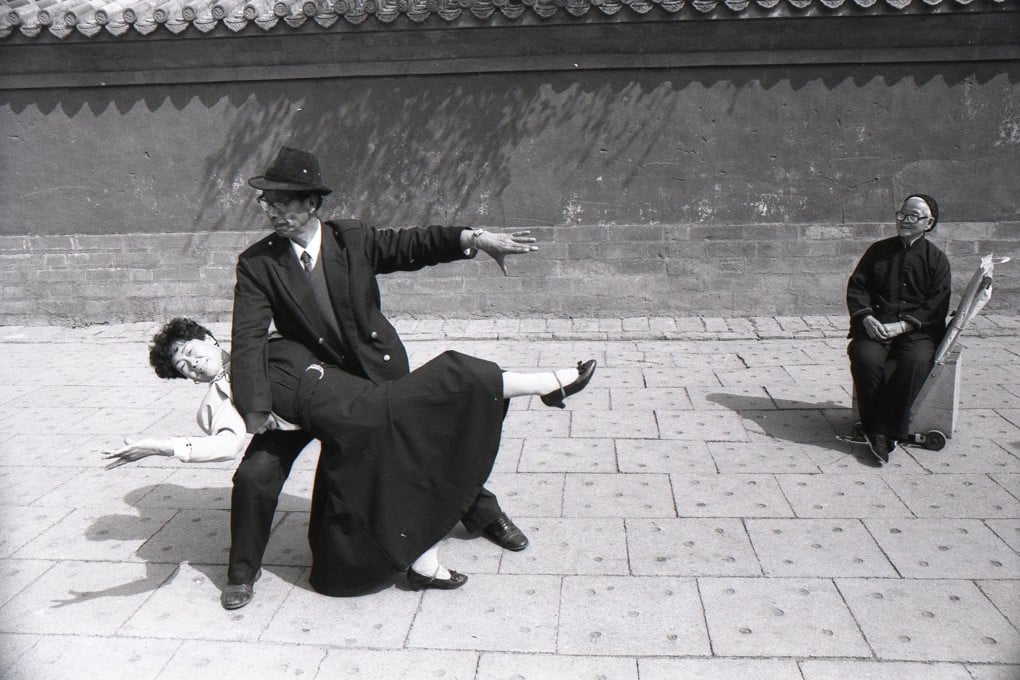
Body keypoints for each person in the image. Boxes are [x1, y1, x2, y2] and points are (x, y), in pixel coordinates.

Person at [227, 146, 540, 609]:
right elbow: (248, 336)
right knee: (255, 474)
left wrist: (473, 238)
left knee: (420, 447)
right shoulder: (258, 264)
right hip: (309, 389)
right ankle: (240, 571)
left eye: (285, 202)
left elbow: (413, 245)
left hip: (375, 375)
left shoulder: (350, 239)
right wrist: (255, 409)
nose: (274, 212)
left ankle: (483, 514)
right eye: (268, 203)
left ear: (312, 204)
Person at [103, 318, 597, 597]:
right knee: (449, 383)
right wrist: (162, 446)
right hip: (351, 422)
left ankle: (428, 563)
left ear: (210, 338)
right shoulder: (218, 401)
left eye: (192, 350)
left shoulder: (272, 341)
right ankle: (556, 383)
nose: (193, 363)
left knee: (446, 390)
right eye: (182, 366)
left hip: (369, 403)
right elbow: (228, 444)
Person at [846, 194, 951, 464]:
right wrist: (867, 318)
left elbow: (936, 305)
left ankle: (882, 430)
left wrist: (903, 325)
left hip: (916, 331)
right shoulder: (878, 251)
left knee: (915, 362)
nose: (905, 220)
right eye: (902, 214)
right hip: (877, 325)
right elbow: (857, 287)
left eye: (913, 216)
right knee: (864, 357)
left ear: (929, 223)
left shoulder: (937, 260)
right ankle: (878, 430)